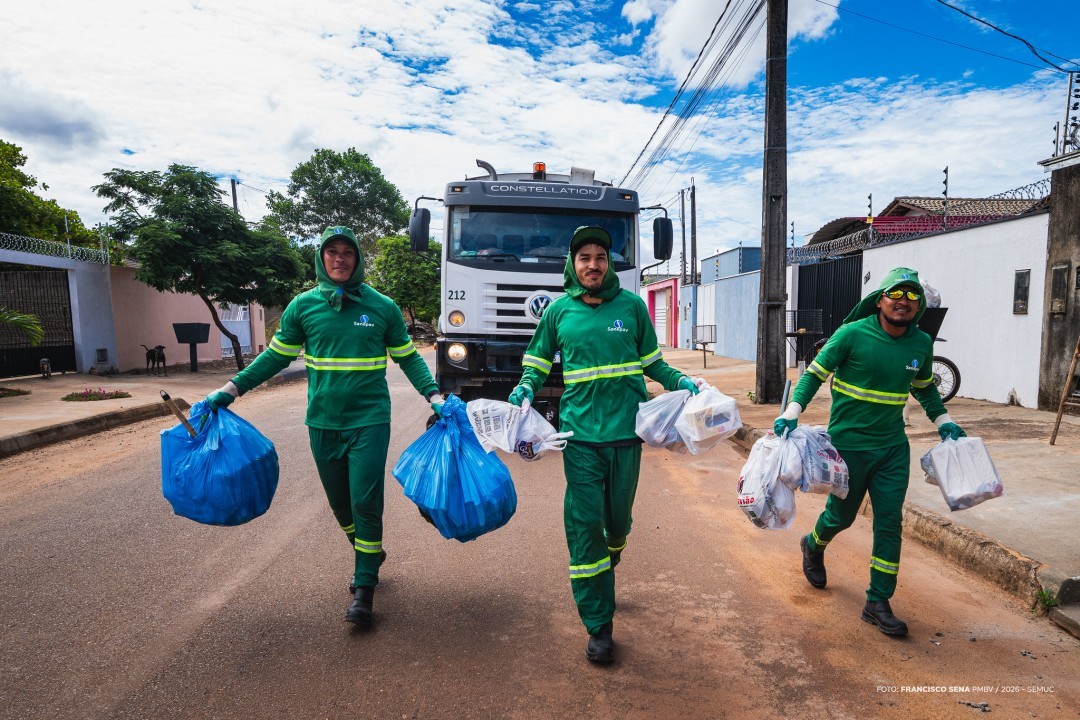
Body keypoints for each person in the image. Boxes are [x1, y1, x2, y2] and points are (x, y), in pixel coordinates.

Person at [206, 226, 443, 628]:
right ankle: (369, 552)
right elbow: (275, 357)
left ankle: (364, 586)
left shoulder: (382, 307)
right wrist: (229, 390)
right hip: (322, 422)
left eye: (347, 252)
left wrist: (434, 396)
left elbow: (409, 358)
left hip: (369, 421)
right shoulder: (303, 307)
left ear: (357, 259)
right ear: (321, 258)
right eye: (331, 252)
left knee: (365, 501)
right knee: (341, 505)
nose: (339, 259)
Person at [508, 226, 704, 664]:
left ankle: (611, 553)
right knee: (584, 526)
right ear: (573, 265)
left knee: (617, 524)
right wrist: (525, 388)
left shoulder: (632, 307)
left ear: (608, 263)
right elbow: (536, 364)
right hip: (579, 437)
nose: (592, 264)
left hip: (625, 435)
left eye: (600, 257)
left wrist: (681, 381)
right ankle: (599, 623)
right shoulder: (558, 312)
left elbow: (653, 363)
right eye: (585, 258)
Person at [773, 267, 965, 637]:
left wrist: (944, 421)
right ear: (880, 300)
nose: (904, 301)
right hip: (848, 448)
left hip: (892, 449)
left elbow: (924, 386)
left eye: (912, 295)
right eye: (897, 293)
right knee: (840, 517)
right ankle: (813, 545)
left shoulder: (921, 344)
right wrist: (792, 411)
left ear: (919, 305)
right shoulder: (852, 334)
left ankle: (877, 601)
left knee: (889, 522)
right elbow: (814, 374)